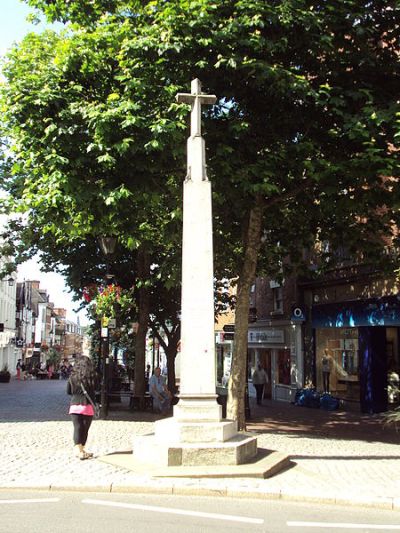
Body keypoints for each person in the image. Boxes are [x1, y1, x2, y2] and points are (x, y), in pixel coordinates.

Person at [67, 356, 99, 460]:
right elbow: (97, 388)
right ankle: (81, 450)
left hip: (75, 405)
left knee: (77, 428)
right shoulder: (93, 376)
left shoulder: (72, 377)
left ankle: (79, 450)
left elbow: (68, 391)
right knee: (85, 429)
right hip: (87, 406)